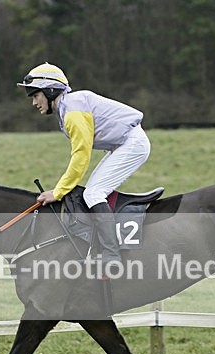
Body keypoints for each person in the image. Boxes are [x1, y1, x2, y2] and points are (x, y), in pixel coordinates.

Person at [17, 62, 151, 269]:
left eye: (35, 95)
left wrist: (59, 192)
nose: (34, 102)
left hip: (131, 144)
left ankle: (111, 256)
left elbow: (81, 156)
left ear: (50, 91)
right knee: (93, 191)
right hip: (124, 143)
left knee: (93, 194)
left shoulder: (72, 112)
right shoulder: (69, 107)